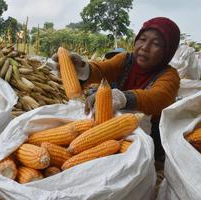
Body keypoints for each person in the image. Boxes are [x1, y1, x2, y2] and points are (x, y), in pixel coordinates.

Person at [52, 17, 181, 161]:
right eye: (142, 39)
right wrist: (82, 68)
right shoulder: (126, 60)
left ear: (167, 51)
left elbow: (158, 97)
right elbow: (103, 69)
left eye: (156, 43)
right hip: (116, 126)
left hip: (150, 133)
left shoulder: (170, 75)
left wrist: (121, 97)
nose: (145, 47)